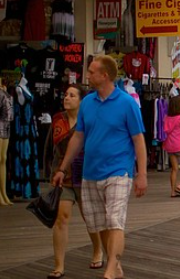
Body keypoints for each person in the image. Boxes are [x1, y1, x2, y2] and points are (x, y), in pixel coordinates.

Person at [51, 55, 147, 279]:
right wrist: (62, 169)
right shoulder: (87, 103)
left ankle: (111, 269)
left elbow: (138, 140)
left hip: (119, 171)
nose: (88, 75)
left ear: (105, 75)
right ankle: (115, 262)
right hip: (91, 172)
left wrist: (141, 174)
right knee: (99, 225)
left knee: (115, 221)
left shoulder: (127, 104)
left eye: (92, 71)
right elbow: (78, 138)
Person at [48, 85, 103, 278]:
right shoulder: (58, 119)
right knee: (61, 218)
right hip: (63, 176)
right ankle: (59, 265)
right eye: (65, 95)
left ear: (81, 100)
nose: (67, 98)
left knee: (90, 217)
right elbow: (50, 148)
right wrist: (54, 171)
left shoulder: (88, 120)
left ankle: (97, 249)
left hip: (86, 175)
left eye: (72, 95)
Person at [0, 77, 13, 206]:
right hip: (1, 125)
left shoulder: (5, 92)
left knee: (3, 159)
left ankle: (3, 192)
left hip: (6, 126)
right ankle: (0, 194)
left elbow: (10, 114)